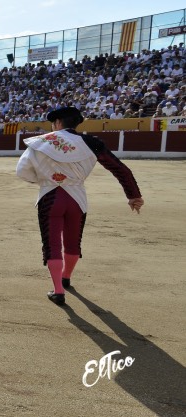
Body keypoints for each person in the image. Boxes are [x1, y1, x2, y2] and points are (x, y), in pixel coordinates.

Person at [16, 107, 143, 306]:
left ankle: (58, 290)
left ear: (57, 123)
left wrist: (44, 180)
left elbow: (22, 171)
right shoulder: (92, 143)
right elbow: (120, 169)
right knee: (73, 241)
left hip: (50, 197)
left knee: (52, 244)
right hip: (77, 198)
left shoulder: (40, 142)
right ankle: (66, 276)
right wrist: (133, 195)